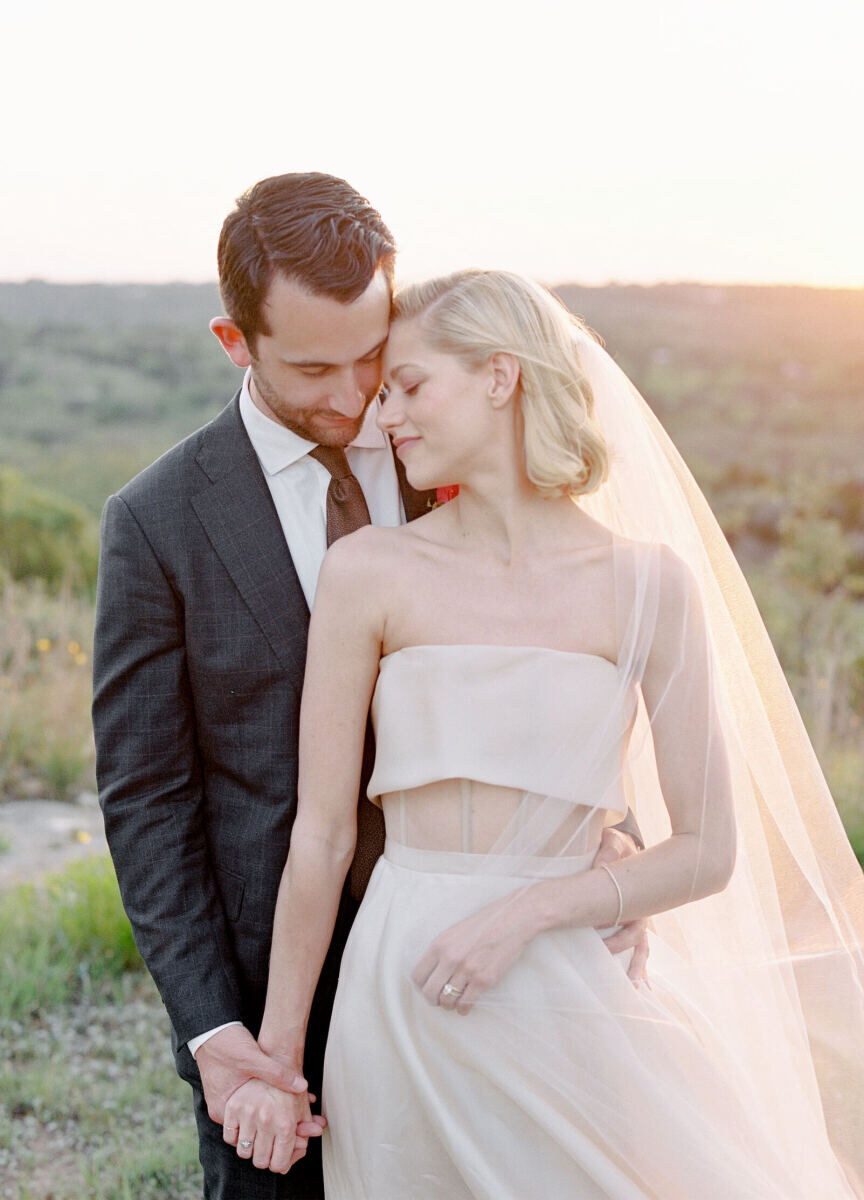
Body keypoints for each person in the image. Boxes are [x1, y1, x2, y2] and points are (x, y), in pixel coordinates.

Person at [227, 269, 864, 1197]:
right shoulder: (367, 572)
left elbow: (707, 850)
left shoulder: (651, 586)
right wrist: (278, 1061)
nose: (384, 414)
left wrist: (532, 909)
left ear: (499, 376)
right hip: (402, 993)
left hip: (571, 985)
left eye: (409, 385)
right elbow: (320, 838)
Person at [91, 178, 645, 1199]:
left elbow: (571, 650)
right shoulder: (158, 524)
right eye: (313, 367)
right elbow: (149, 803)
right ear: (234, 341)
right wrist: (222, 1035)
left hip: (500, 977)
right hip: (274, 1012)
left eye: (373, 355)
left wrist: (604, 845)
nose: (354, 397)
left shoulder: (463, 452)